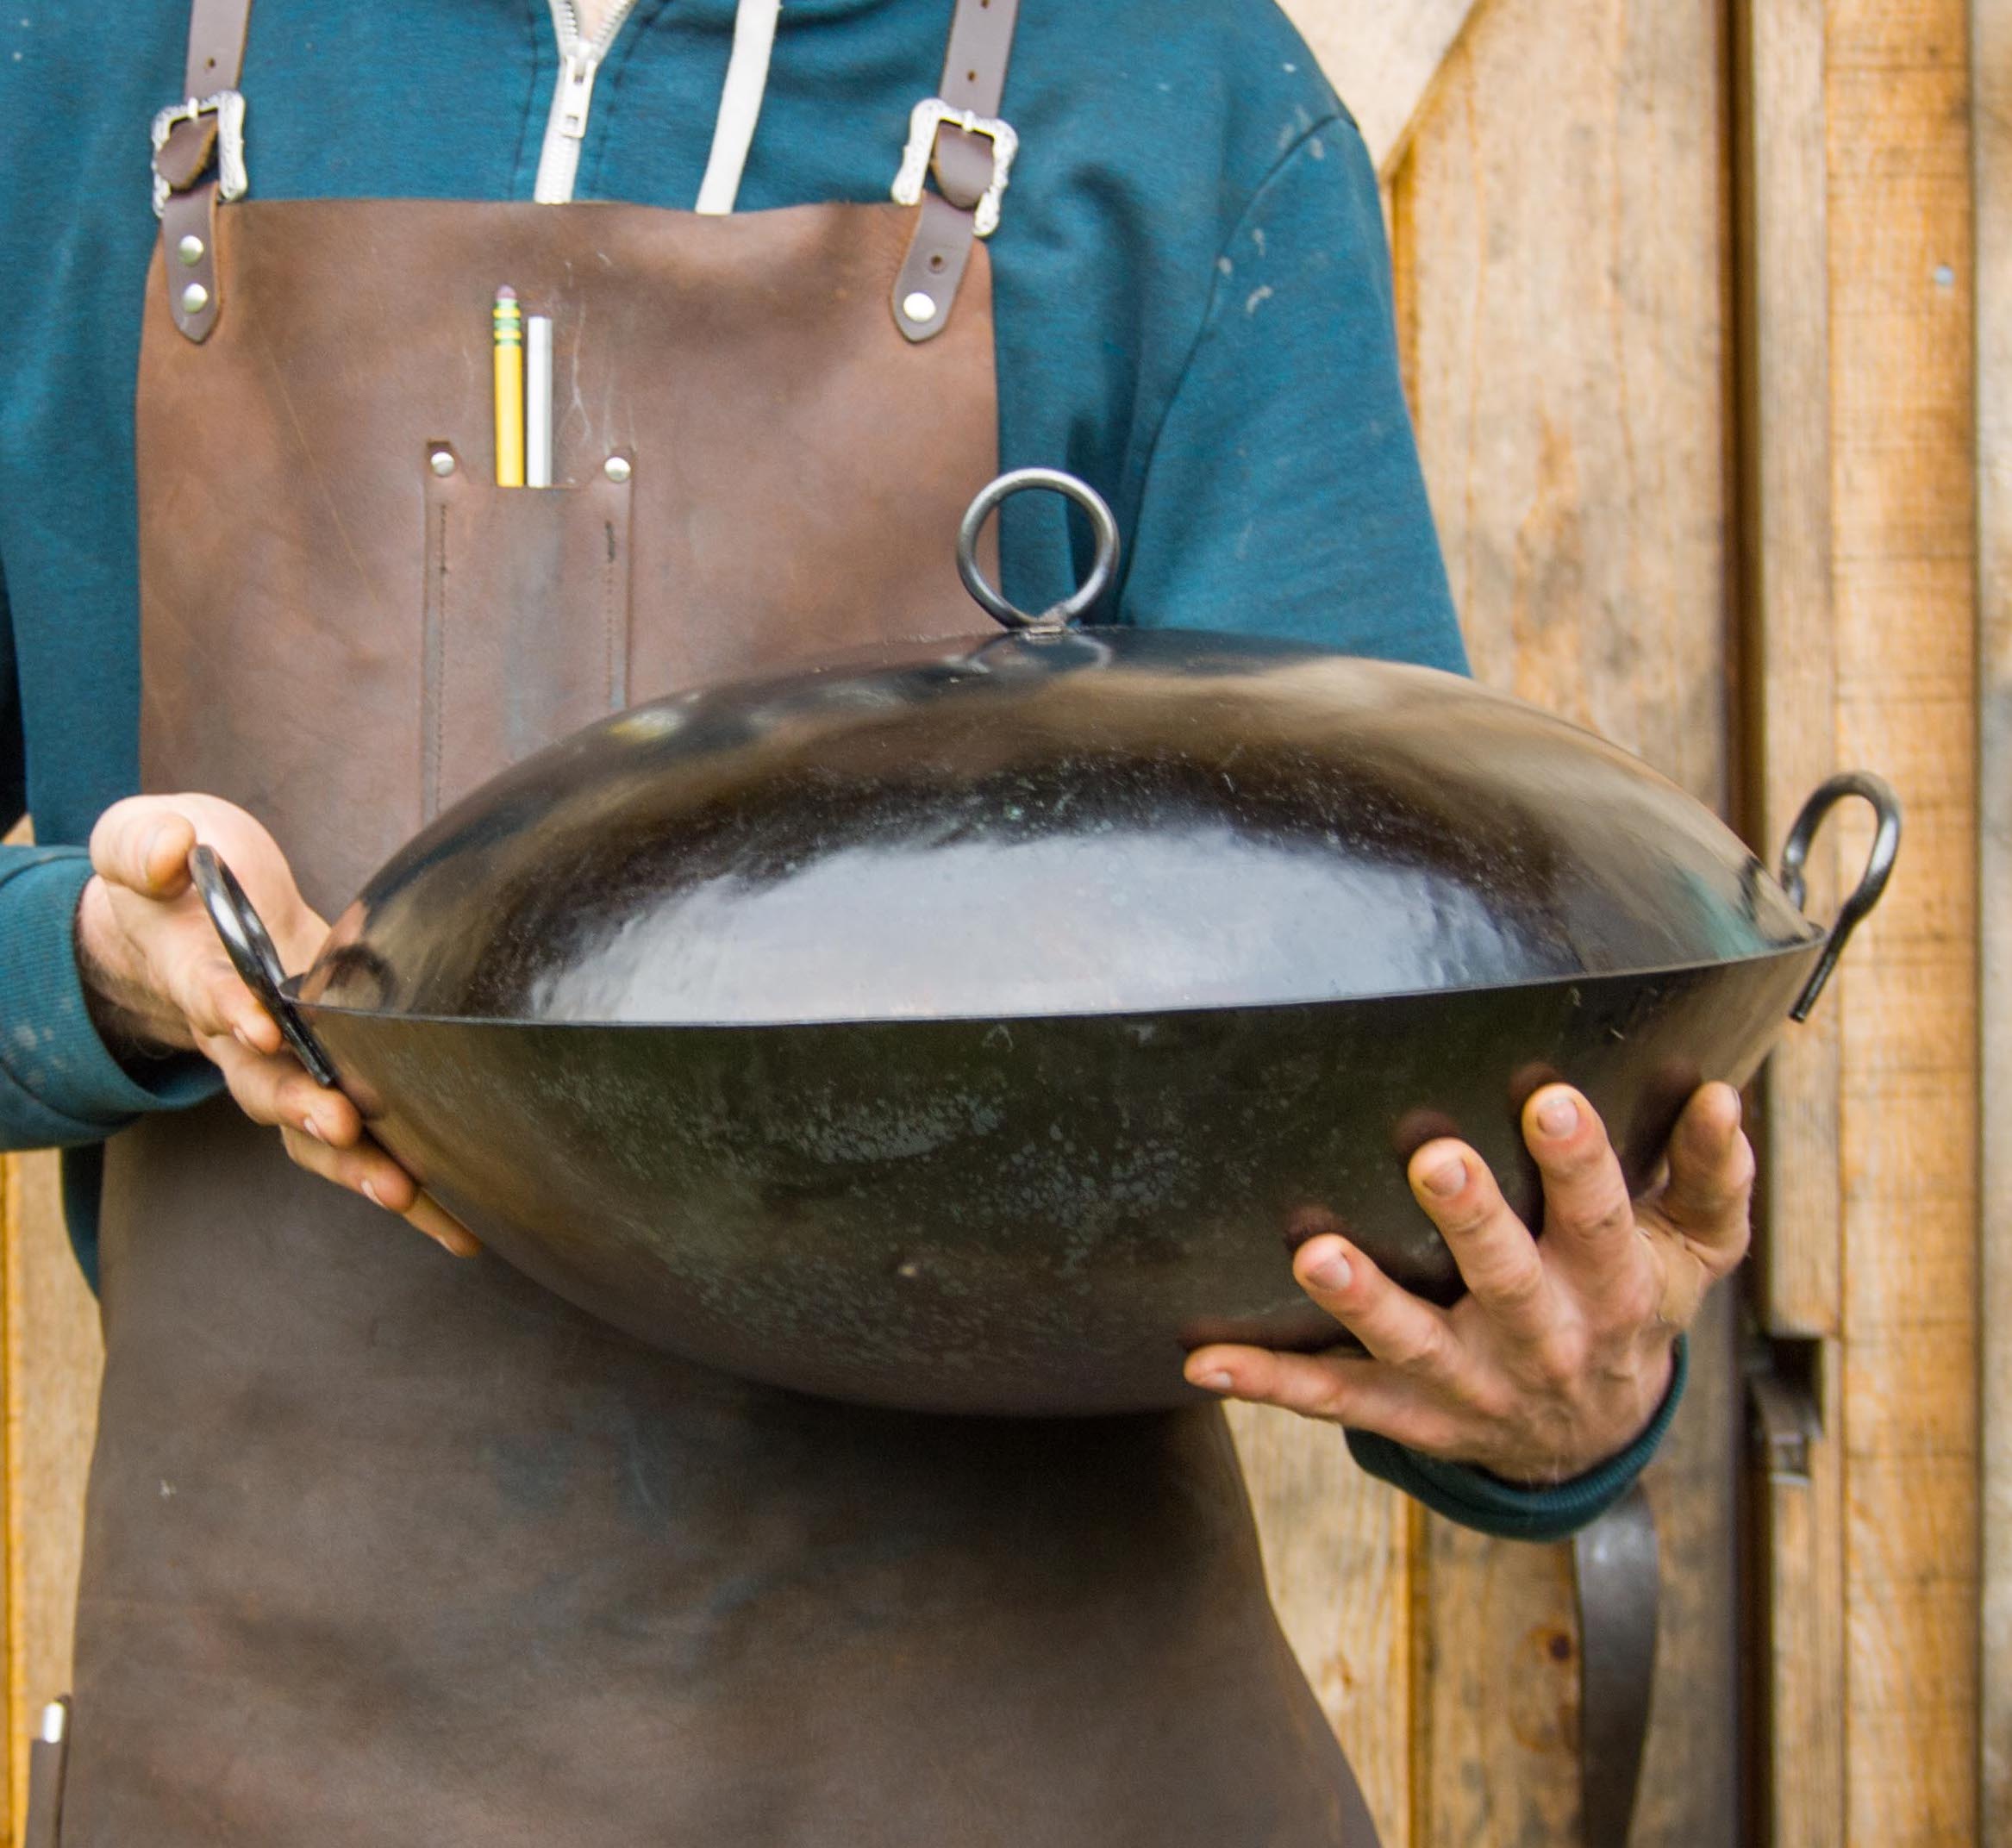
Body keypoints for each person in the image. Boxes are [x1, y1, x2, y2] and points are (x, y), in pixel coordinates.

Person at [0, 0, 1753, 1840]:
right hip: (268, 1758)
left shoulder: (1171, 93)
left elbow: (1415, 1059)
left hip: (1031, 1772)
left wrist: (1563, 1400)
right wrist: (95, 967)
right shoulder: (74, 64)